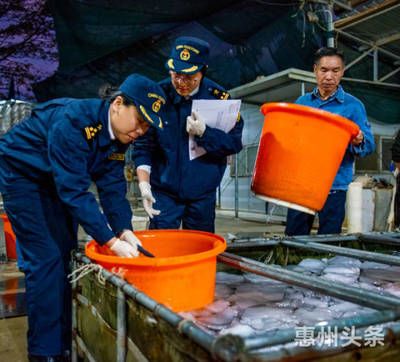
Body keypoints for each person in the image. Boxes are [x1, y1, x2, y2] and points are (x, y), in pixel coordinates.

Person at [0, 74, 166, 361]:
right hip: (23, 176)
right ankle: (45, 351)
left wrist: (125, 229)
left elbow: (113, 188)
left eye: (147, 126)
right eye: (139, 120)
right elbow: (75, 192)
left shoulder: (119, 138)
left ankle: (64, 336)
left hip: (56, 179)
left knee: (66, 253)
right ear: (117, 104)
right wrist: (109, 240)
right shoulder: (74, 122)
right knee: (46, 258)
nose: (141, 130)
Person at [132, 36, 243, 232]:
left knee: (199, 247)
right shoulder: (157, 95)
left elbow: (234, 144)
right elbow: (143, 145)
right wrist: (144, 185)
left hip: (202, 194)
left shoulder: (220, 100)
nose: (181, 82)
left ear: (202, 71)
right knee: (162, 247)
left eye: (189, 76)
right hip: (164, 192)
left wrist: (205, 133)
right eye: (176, 74)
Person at [285, 47, 375, 236]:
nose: (329, 76)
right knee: (294, 236)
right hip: (301, 184)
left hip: (334, 185)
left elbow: (369, 145)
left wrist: (359, 140)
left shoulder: (354, 106)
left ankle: (326, 264)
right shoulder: (302, 103)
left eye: (335, 71)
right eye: (324, 70)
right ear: (315, 70)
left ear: (342, 72)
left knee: (329, 239)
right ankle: (291, 265)